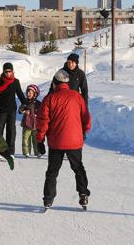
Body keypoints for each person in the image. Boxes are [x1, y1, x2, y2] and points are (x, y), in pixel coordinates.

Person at [37, 69, 91, 210]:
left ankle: (48, 199)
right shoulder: (77, 97)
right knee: (78, 168)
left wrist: (39, 140)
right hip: (74, 141)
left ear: (55, 83)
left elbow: (43, 122)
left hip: (56, 142)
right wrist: (83, 132)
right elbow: (86, 117)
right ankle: (83, 193)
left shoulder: (50, 98)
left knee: (52, 171)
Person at [0, 62, 27, 156]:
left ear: (13, 71)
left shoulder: (15, 82)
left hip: (11, 110)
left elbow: (20, 94)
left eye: (10, 71)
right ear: (3, 71)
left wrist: (25, 103)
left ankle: (10, 152)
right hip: (0, 110)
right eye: (6, 71)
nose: (8, 73)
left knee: (11, 131)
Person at [18, 84, 42, 158]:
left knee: (35, 140)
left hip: (35, 125)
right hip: (26, 124)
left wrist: (37, 114)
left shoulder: (38, 103)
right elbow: (20, 110)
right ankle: (26, 152)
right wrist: (23, 111)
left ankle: (37, 152)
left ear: (35, 94)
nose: (28, 94)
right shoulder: (25, 102)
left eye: (30, 93)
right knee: (25, 139)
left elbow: (42, 112)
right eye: (27, 92)